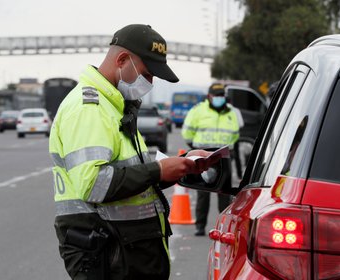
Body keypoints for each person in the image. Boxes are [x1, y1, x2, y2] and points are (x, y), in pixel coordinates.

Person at [49, 24, 216, 280]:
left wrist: (180, 164)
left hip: (124, 248)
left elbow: (128, 168)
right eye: (147, 74)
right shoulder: (89, 108)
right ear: (122, 60)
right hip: (108, 252)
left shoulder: (114, 106)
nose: (149, 83)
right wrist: (158, 169)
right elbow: (94, 184)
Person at [181, 82, 240, 236]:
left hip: (223, 156)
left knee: (224, 192)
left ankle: (224, 226)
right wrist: (195, 148)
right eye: (216, 95)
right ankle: (200, 226)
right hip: (202, 155)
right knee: (203, 192)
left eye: (222, 95)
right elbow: (187, 132)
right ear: (209, 96)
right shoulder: (198, 110)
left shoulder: (231, 112)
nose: (219, 98)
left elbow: (235, 133)